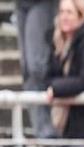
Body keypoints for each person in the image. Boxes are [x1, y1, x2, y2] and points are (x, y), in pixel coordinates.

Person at [47, 0, 84, 139]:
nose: (64, 17)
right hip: (67, 121)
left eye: (69, 12)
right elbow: (48, 75)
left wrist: (57, 88)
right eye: (62, 12)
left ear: (81, 16)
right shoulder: (57, 42)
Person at [15, 0, 58, 138]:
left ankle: (48, 131)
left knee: (36, 66)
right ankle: (40, 130)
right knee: (27, 69)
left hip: (41, 3)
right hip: (21, 4)